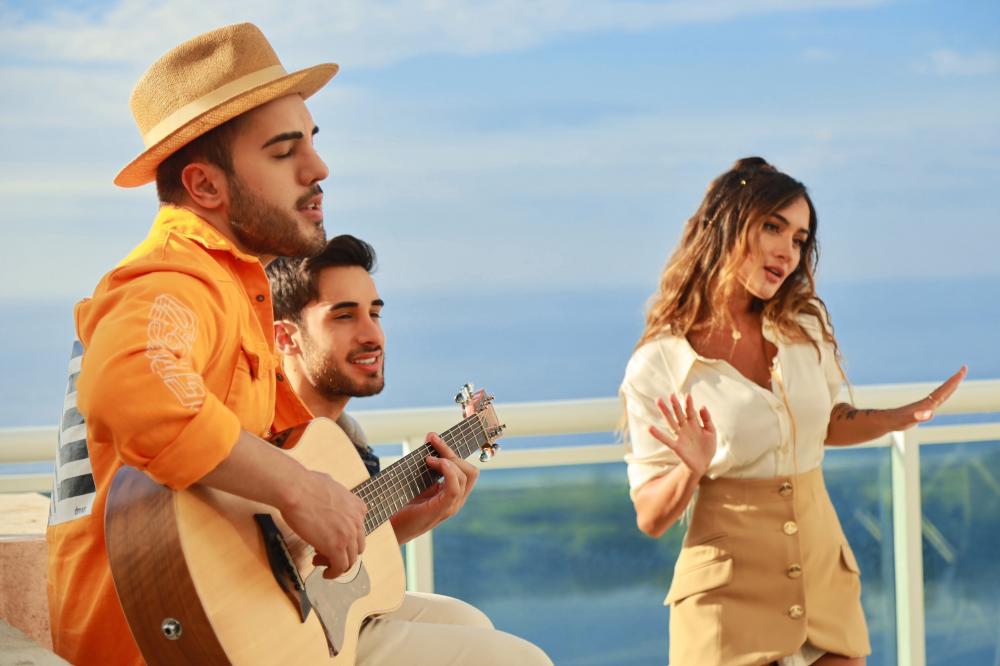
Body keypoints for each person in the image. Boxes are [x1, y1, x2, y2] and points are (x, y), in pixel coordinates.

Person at [44, 22, 544, 666]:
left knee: (468, 622)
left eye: (311, 141)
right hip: (171, 643)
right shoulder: (175, 279)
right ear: (205, 187)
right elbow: (130, 388)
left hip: (246, 620)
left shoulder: (237, 285)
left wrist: (371, 517)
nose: (319, 168)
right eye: (284, 152)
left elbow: (251, 517)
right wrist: (301, 491)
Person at [619, 157, 966, 666]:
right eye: (772, 227)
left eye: (800, 238)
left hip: (823, 574)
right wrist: (691, 470)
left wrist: (898, 417)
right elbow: (650, 515)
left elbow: (827, 423)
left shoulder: (802, 327)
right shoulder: (660, 364)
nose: (788, 250)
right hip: (727, 600)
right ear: (726, 226)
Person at [266, 234, 552, 664]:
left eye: (375, 313)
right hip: (273, 630)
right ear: (285, 338)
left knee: (468, 622)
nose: (371, 335)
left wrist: (410, 521)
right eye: (343, 316)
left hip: (317, 612)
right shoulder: (260, 426)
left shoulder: (347, 438)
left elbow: (324, 564)